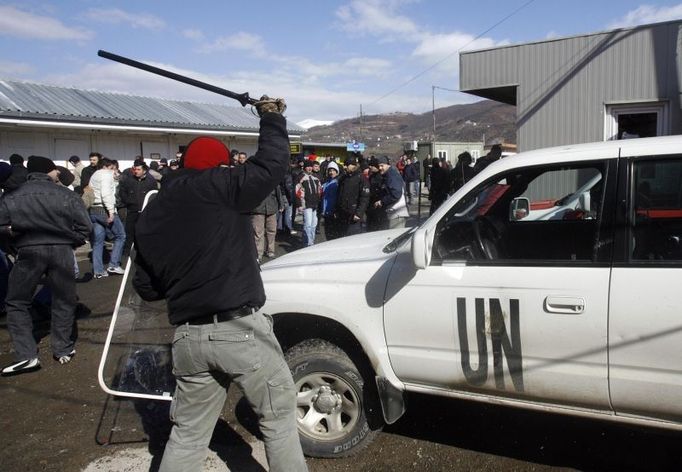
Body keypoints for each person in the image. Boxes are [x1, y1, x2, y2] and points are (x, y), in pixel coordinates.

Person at [132, 96, 307, 472]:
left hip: (188, 339)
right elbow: (273, 163)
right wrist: (272, 118)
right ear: (219, 165)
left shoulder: (150, 214)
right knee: (277, 418)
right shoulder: (219, 186)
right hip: (239, 330)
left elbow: (147, 289)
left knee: (188, 434)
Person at [0, 156, 91, 376]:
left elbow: (2, 226)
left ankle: (26, 355)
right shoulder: (67, 195)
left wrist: (15, 241)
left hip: (28, 250)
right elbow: (85, 227)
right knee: (64, 300)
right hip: (61, 251)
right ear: (49, 172)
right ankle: (63, 349)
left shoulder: (11, 196)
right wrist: (71, 241)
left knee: (16, 302)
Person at [88, 158, 126, 278]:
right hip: (104, 209)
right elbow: (106, 194)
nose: (113, 170)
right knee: (120, 236)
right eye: (111, 168)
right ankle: (114, 264)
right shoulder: (106, 175)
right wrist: (111, 212)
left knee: (98, 241)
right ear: (106, 166)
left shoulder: (95, 175)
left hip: (93, 209)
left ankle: (98, 271)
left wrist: (115, 179)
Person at [118, 159, 158, 256]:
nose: (136, 171)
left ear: (144, 170)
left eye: (138, 169)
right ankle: (127, 253)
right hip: (132, 211)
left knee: (144, 233)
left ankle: (145, 252)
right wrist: (128, 201)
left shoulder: (151, 181)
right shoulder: (129, 180)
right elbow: (122, 192)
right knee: (129, 232)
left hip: (145, 212)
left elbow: (154, 195)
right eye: (135, 169)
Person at [336, 156, 370, 237]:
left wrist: (359, 213)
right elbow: (340, 195)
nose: (344, 167)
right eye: (344, 164)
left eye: (347, 165)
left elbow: (364, 197)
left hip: (354, 215)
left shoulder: (361, 178)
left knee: (353, 238)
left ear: (353, 165)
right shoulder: (344, 178)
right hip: (343, 214)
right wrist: (337, 209)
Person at [374, 155, 408, 229]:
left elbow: (396, 194)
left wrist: (382, 201)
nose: (380, 168)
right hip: (394, 213)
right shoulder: (388, 174)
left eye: (382, 166)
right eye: (379, 166)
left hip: (397, 213)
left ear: (387, 165)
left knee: (395, 238)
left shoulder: (392, 175)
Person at [251, 185, 283, 261]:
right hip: (257, 210)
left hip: (272, 209)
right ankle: (258, 253)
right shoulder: (254, 180)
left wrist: (281, 204)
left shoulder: (272, 179)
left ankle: (270, 251)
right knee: (258, 233)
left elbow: (278, 192)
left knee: (272, 231)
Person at [295, 160, 322, 246]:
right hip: (306, 205)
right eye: (308, 166)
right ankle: (307, 243)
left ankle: (311, 241)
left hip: (315, 205)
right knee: (308, 225)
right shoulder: (301, 177)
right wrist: (299, 204)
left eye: (311, 166)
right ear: (305, 167)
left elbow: (320, 190)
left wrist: (319, 200)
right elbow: (296, 192)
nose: (310, 168)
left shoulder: (316, 178)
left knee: (314, 224)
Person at [321, 161, 340, 240]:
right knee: (327, 233)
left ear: (337, 171)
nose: (331, 172)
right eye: (330, 170)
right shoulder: (325, 183)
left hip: (334, 212)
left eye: (333, 170)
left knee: (334, 234)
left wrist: (337, 210)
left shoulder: (338, 182)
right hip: (326, 212)